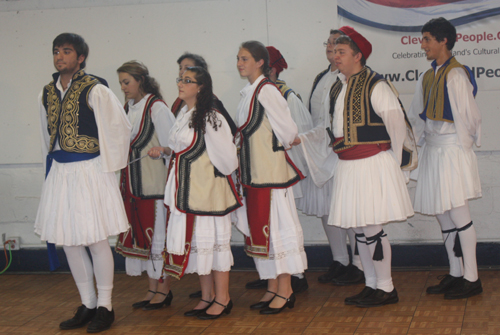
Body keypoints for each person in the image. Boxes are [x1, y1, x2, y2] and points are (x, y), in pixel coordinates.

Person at [295, 26, 415, 307]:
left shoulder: (376, 84)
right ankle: (371, 284)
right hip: (348, 165)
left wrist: (398, 167)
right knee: (360, 230)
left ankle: (386, 287)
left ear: (358, 56)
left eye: (342, 51)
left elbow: (397, 125)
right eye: (334, 51)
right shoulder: (337, 85)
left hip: (372, 163)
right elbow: (331, 128)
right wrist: (302, 139)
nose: (335, 56)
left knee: (372, 229)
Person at [35, 33, 131, 332]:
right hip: (61, 173)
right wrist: (48, 169)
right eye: (56, 51)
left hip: (90, 170)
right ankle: (87, 303)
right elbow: (45, 135)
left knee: (95, 239)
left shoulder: (95, 89)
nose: (60, 56)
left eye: (66, 51)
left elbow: (119, 128)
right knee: (70, 242)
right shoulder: (47, 92)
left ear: (81, 58)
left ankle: (105, 305)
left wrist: (107, 170)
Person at [158, 66, 241, 319]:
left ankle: (223, 298)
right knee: (199, 246)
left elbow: (228, 160)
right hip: (189, 193)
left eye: (187, 81)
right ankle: (206, 297)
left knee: (213, 247)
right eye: (180, 80)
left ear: (201, 86)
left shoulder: (211, 117)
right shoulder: (186, 112)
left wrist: (204, 171)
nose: (181, 84)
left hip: (207, 194)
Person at [408, 17, 482, 299]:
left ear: (444, 42)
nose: (423, 44)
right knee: (443, 215)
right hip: (434, 151)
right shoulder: (427, 76)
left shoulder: (456, 74)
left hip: (452, 150)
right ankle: (455, 272)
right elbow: (416, 116)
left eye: (427, 39)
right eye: (423, 38)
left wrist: (460, 149)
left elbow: (471, 118)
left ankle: (472, 278)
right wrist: (414, 146)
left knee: (459, 214)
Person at [234, 41, 308, 314]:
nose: (240, 63)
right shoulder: (250, 93)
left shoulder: (267, 91)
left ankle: (286, 291)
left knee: (277, 232)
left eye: (245, 58)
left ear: (260, 62)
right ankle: (272, 287)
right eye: (238, 58)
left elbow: (288, 132)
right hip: (256, 176)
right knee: (263, 234)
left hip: (272, 177)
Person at [115, 61, 176, 310]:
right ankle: (152, 288)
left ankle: (164, 290)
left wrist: (161, 150)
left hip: (154, 188)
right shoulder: (127, 108)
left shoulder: (157, 108)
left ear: (140, 80)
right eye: (120, 83)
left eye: (126, 82)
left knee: (156, 238)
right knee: (143, 239)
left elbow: (175, 146)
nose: (123, 87)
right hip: (133, 189)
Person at [305, 29, 364, 286]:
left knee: (350, 208)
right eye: (328, 43)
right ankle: (340, 260)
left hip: (344, 152)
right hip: (321, 151)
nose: (332, 48)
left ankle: (361, 264)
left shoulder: (353, 78)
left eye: (338, 45)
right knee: (328, 209)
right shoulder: (322, 76)